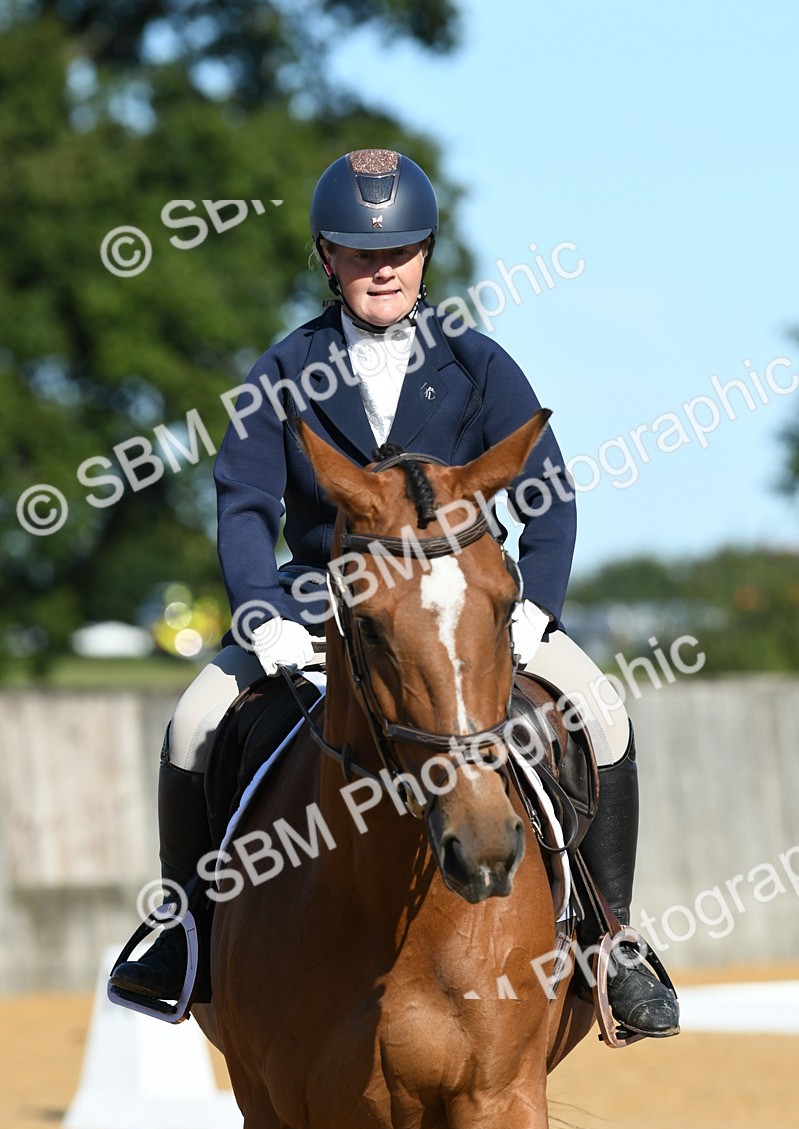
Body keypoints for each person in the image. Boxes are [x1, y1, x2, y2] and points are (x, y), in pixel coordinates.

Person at [111, 148, 679, 1038]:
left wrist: (536, 609)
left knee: (603, 715)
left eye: (401, 250)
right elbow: (245, 502)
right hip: (315, 611)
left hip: (464, 614)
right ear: (326, 257)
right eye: (360, 252)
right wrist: (260, 614)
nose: (384, 269)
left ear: (425, 253)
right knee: (193, 723)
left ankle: (613, 943)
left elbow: (548, 494)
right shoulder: (284, 366)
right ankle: (180, 927)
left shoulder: (477, 362)